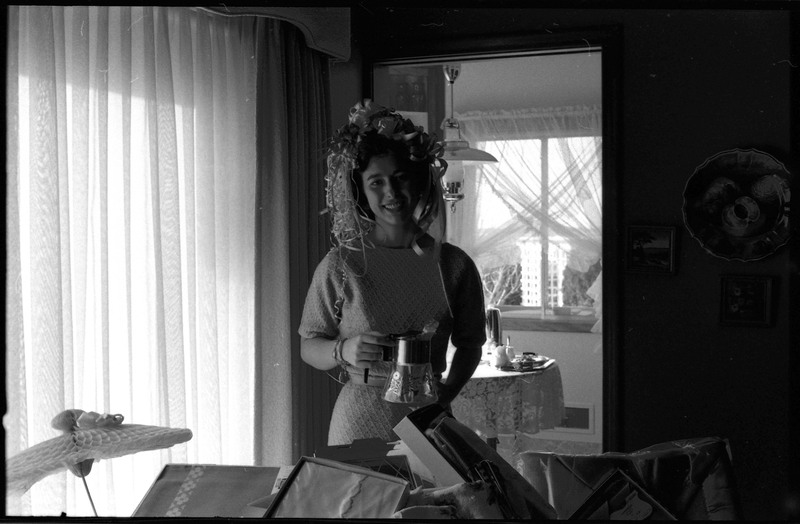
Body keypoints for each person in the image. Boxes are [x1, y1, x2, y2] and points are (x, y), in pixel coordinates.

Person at [298, 100, 486, 445]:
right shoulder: (341, 264)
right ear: (361, 190)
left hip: (430, 421)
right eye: (377, 182)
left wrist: (445, 394)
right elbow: (309, 344)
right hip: (358, 420)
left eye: (400, 179)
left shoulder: (455, 265)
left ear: (418, 182)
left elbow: (471, 344)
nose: (391, 193)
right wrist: (343, 350)